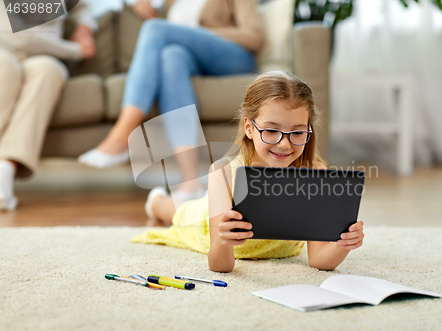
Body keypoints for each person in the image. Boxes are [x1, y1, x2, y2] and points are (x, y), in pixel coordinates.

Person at [131, 72, 365, 272]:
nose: (284, 144)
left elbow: (318, 260)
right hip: (203, 224)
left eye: (297, 132)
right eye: (272, 131)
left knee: (189, 203)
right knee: (177, 211)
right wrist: (223, 242)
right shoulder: (222, 172)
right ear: (249, 128)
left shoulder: (315, 173)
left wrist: (342, 244)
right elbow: (219, 264)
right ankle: (156, 201)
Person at [78, 0, 264, 205]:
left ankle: (122, 135)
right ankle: (190, 182)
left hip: (234, 57)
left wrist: (197, 34)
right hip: (191, 58)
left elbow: (254, 35)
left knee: (155, 29)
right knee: (171, 57)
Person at [0, 2, 97, 211]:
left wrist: (85, 26)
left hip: (43, 58)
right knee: (4, 68)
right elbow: (19, 37)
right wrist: (76, 50)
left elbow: (81, 7)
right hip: (5, 50)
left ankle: (5, 170)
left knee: (48, 70)